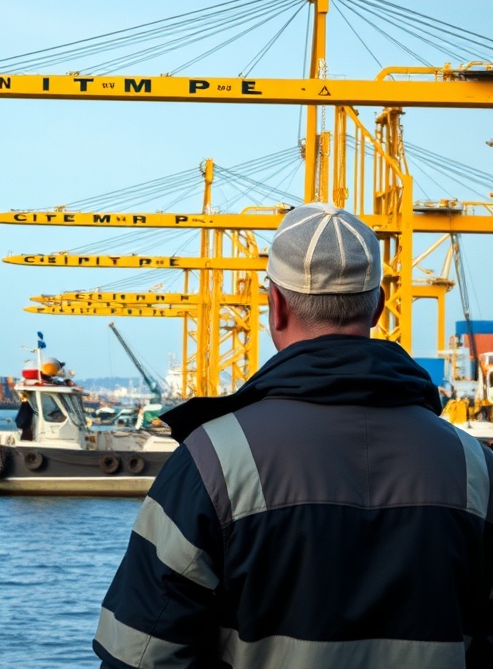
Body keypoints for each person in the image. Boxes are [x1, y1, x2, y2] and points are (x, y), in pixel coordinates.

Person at [93, 202, 493, 668]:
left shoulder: (212, 462)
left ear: (275, 305)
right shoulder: (475, 468)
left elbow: (139, 656)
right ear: (379, 306)